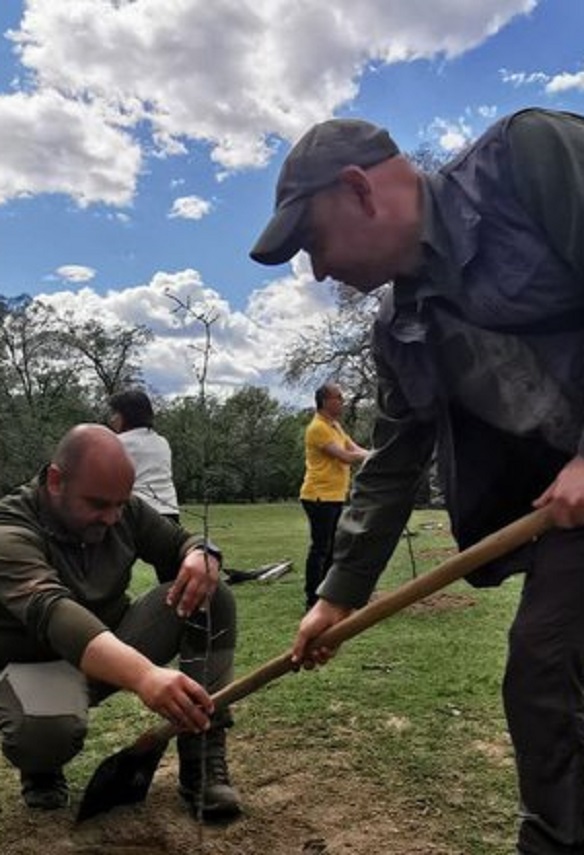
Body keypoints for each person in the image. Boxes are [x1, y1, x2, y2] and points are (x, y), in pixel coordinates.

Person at [250, 109, 584, 854]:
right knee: (548, 672)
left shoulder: (531, 159)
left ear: (360, 189)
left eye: (313, 242)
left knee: (545, 667)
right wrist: (336, 596)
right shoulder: (397, 326)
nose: (319, 270)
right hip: (566, 515)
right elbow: (395, 462)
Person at [0, 424, 240, 820]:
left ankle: (202, 760)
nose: (113, 518)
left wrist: (203, 553)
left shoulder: (121, 508)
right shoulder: (10, 531)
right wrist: (145, 675)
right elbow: (54, 612)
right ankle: (41, 768)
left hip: (113, 647)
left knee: (210, 595)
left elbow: (180, 540)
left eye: (120, 503)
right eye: (97, 505)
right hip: (35, 663)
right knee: (46, 735)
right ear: (57, 481)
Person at [300, 382, 368, 610]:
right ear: (325, 401)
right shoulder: (318, 428)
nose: (342, 401)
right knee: (320, 547)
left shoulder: (335, 426)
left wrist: (376, 454)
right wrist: (373, 457)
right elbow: (346, 456)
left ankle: (327, 595)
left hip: (335, 496)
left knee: (332, 548)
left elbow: (354, 448)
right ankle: (312, 598)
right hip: (318, 496)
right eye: (338, 397)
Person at [108, 388, 180, 521]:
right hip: (170, 511)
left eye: (115, 413)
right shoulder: (162, 442)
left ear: (127, 415)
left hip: (137, 514)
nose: (111, 420)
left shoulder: (117, 443)